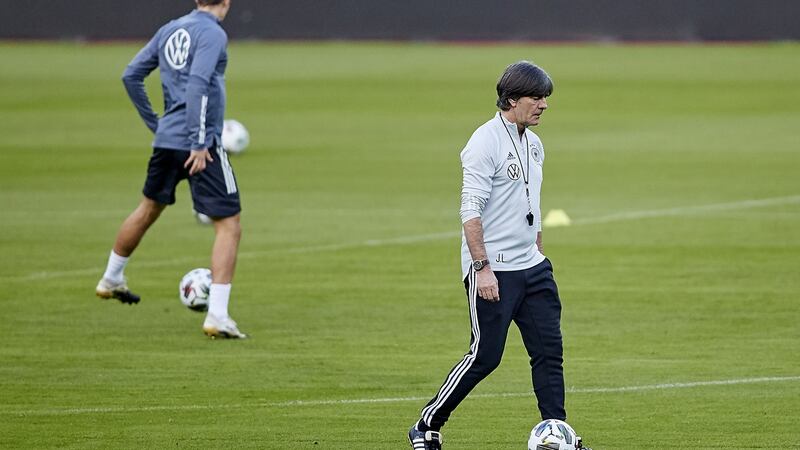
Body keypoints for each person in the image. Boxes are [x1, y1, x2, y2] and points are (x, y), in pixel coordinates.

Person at [409, 61, 586, 449]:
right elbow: (469, 212)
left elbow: (530, 201)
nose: (543, 105)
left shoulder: (534, 143)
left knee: (549, 353)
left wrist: (537, 247)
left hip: (533, 268)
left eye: (546, 98)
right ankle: (426, 425)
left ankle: (557, 435)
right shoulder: (483, 143)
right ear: (511, 99)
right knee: (485, 356)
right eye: (536, 98)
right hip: (495, 271)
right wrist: (482, 268)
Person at [95, 0, 246, 339]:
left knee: (148, 208)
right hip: (200, 144)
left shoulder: (170, 29)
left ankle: (111, 278)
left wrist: (157, 124)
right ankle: (217, 316)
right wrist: (198, 141)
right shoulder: (213, 33)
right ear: (227, 2)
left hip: (167, 140)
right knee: (229, 225)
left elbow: (130, 75)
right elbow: (199, 84)